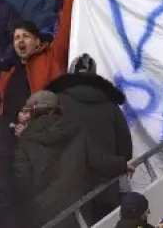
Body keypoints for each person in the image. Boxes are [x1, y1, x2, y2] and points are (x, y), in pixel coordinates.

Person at [14, 90, 130, 228]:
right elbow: (98, 160)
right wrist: (123, 165)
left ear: (33, 111)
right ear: (56, 109)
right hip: (77, 209)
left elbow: (22, 180)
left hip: (44, 215)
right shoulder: (76, 129)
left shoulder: (26, 140)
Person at [47, 55, 133, 222]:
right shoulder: (111, 106)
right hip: (106, 190)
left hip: (68, 192)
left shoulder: (56, 104)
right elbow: (126, 151)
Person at [0, 0, 73, 125]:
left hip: (44, 130)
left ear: (38, 42)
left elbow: (65, 28)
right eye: (16, 38)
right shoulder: (9, 72)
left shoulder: (52, 57)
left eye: (25, 36)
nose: (20, 40)